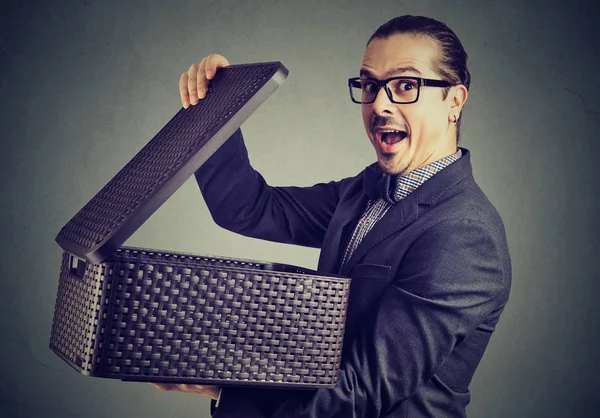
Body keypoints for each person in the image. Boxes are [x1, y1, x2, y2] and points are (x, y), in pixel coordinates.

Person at [151, 15, 512, 418]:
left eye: (406, 85)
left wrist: (225, 389)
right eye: (370, 85)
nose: (379, 104)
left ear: (454, 101)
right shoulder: (363, 191)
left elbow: (361, 391)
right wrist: (217, 109)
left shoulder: (464, 234)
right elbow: (248, 208)